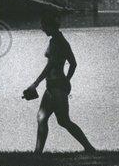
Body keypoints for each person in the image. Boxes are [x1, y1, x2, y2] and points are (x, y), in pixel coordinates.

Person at [26, 14, 95, 154]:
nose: (42, 29)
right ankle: (38, 152)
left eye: (44, 26)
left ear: (51, 26)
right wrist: (67, 80)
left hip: (56, 86)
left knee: (59, 120)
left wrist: (35, 84)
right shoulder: (61, 40)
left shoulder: (57, 42)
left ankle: (89, 148)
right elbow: (73, 64)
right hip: (56, 85)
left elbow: (50, 65)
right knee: (46, 118)